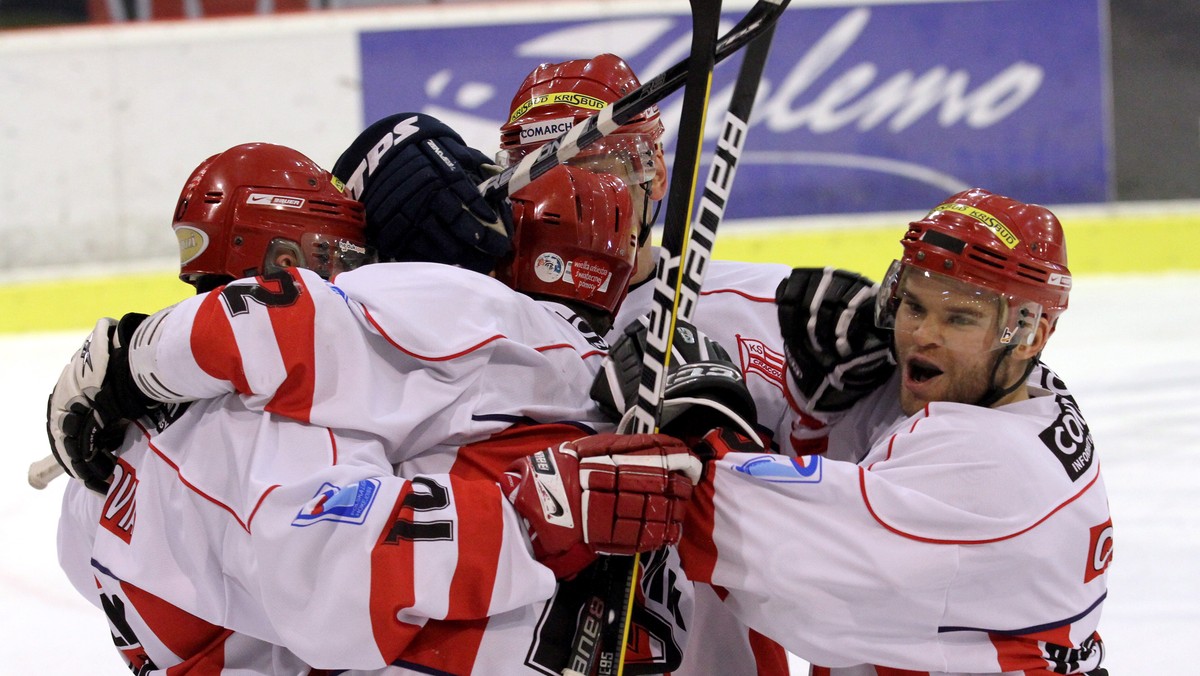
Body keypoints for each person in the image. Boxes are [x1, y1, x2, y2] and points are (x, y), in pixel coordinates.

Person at [50, 135, 707, 674]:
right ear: (281, 260)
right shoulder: (271, 420)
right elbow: (340, 582)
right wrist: (533, 515)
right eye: (335, 253)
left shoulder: (90, 483)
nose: (356, 271)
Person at [673, 189, 1111, 675]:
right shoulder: (1039, 398)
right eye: (915, 307)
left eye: (960, 318)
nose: (924, 334)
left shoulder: (985, 466)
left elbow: (785, 551)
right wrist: (821, 414)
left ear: (1031, 335)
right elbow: (874, 466)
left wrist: (690, 445)